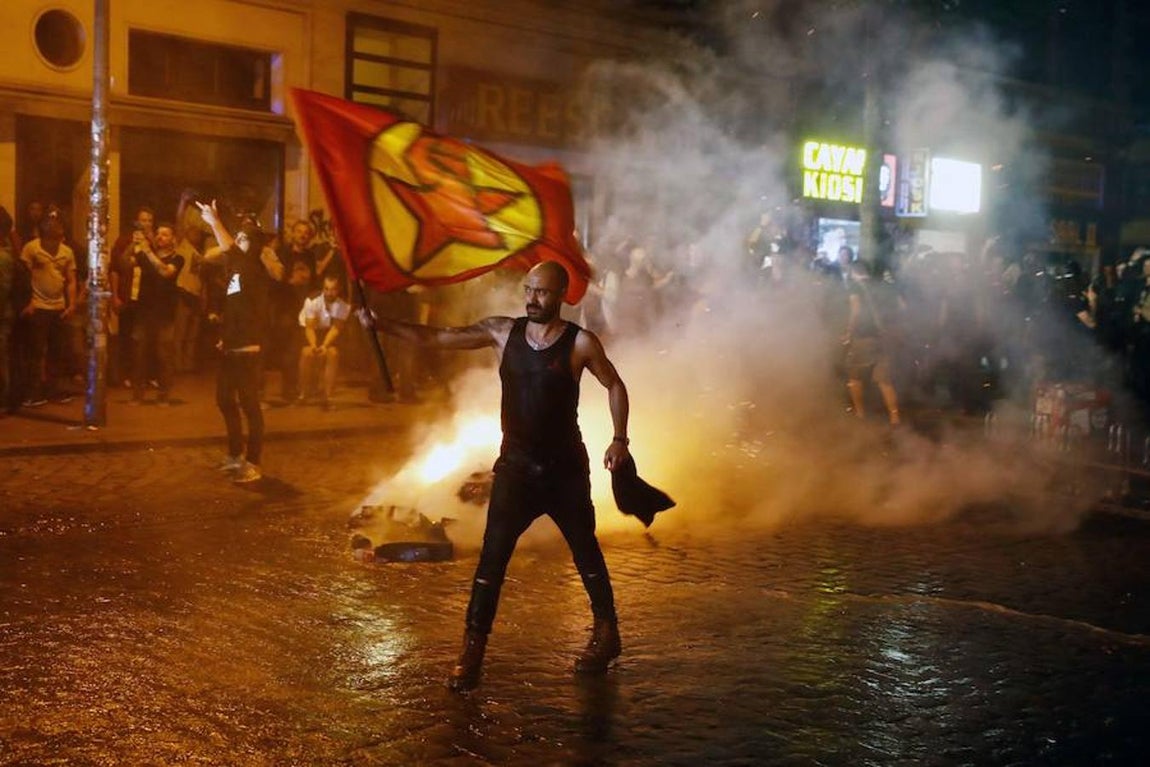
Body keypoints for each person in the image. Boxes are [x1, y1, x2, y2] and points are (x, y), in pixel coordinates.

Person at [371, 260, 630, 691]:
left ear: (561, 296)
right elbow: (439, 338)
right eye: (528, 290)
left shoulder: (580, 343)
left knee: (586, 552)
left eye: (541, 292)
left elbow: (615, 385)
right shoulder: (502, 332)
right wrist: (384, 325)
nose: (532, 299)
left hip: (565, 469)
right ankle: (472, 650)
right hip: (516, 469)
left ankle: (607, 633)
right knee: (491, 561)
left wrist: (620, 439)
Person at [197, 200, 283, 483]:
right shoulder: (237, 268)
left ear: (254, 244)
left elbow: (229, 248)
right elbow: (235, 308)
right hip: (232, 345)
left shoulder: (253, 268)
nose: (238, 240)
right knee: (224, 399)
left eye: (243, 238)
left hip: (249, 347)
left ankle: (253, 462)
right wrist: (225, 337)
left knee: (249, 404)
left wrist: (214, 221)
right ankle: (235, 454)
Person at [129, 223, 184, 405]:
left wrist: (147, 251)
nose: (160, 237)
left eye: (165, 234)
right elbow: (124, 263)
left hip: (165, 313)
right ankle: (137, 394)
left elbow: (166, 272)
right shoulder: (146, 255)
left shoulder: (177, 258)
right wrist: (134, 244)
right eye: (158, 234)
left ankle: (163, 395)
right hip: (144, 311)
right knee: (139, 354)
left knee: (164, 355)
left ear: (173, 239)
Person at [843, 259, 902, 425]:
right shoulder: (884, 286)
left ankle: (859, 413)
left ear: (854, 271)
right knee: (884, 380)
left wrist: (848, 333)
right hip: (884, 337)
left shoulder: (855, 287)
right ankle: (895, 417)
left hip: (864, 337)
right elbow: (901, 306)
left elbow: (856, 311)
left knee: (854, 376)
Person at [297, 273, 350, 409]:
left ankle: (328, 396)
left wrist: (325, 346)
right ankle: (303, 394)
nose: (329, 293)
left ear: (338, 290)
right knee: (307, 353)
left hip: (328, 331)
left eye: (333, 289)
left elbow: (336, 329)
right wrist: (314, 345)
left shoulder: (343, 305)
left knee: (333, 354)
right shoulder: (312, 301)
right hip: (311, 329)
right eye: (326, 289)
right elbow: (309, 328)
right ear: (322, 289)